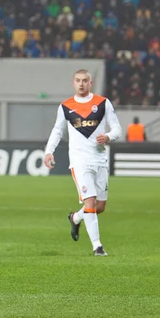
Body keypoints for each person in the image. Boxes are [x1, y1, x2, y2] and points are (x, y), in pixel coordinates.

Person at [43, 69, 122, 256]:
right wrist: (48, 152)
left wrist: (109, 136)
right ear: (73, 83)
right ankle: (97, 247)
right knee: (90, 202)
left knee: (99, 207)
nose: (81, 84)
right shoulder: (66, 106)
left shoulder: (103, 103)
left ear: (90, 83)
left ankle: (75, 218)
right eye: (78, 80)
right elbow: (57, 130)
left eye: (84, 80)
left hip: (100, 160)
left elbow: (118, 128)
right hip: (79, 161)